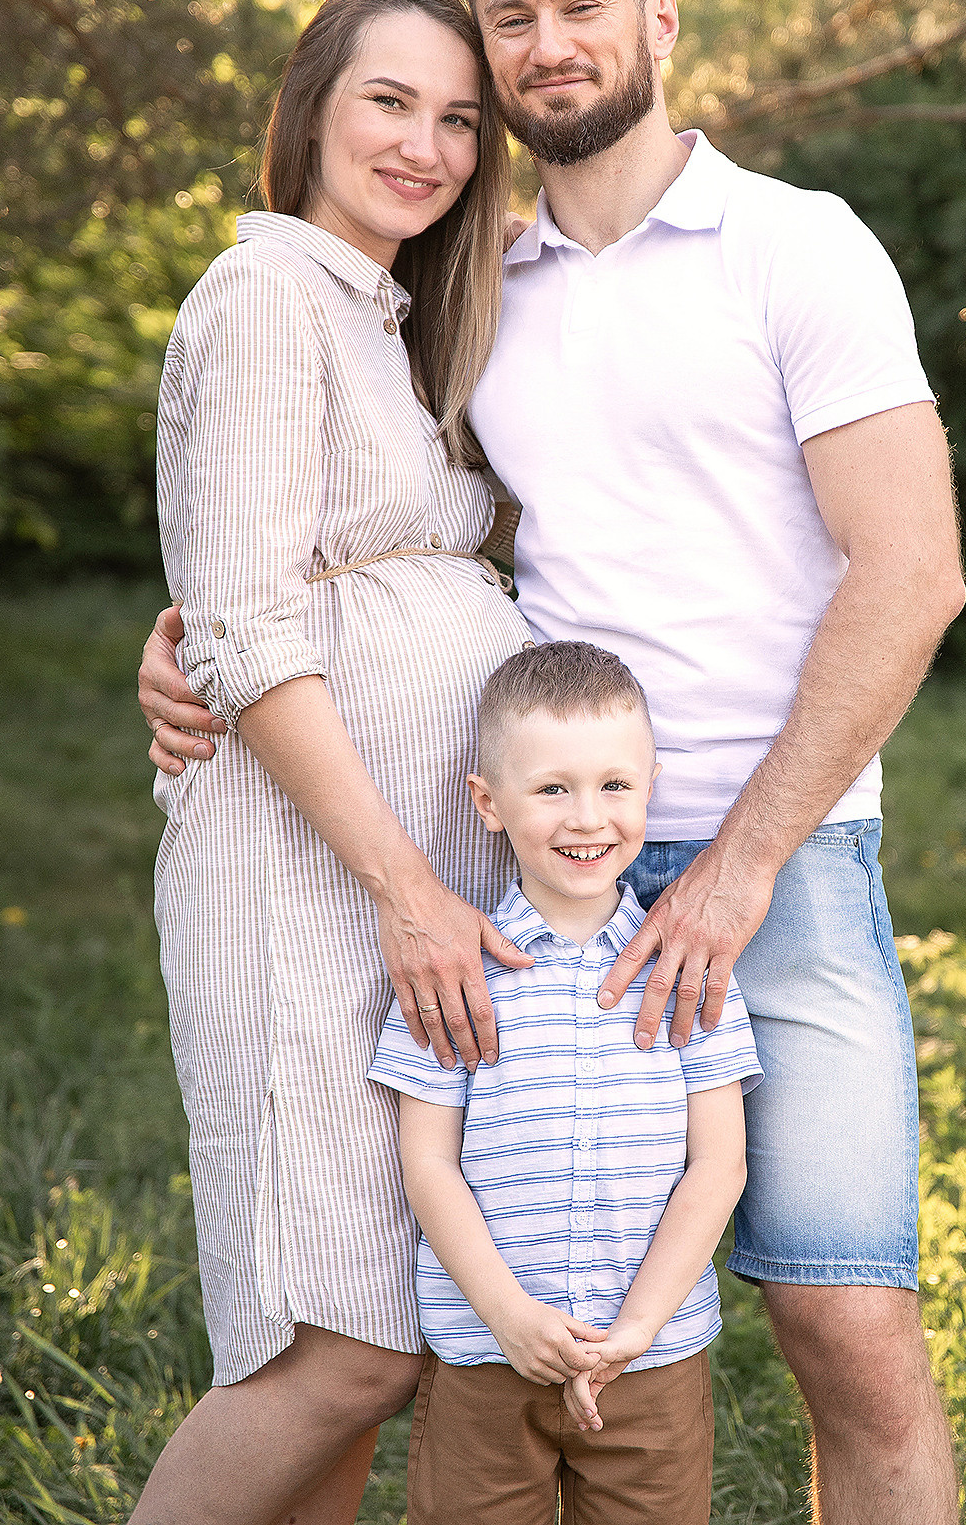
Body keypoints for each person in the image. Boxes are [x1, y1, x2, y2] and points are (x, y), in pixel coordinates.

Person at [142, 0, 966, 1523]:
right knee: (413, 1324)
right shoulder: (473, 291)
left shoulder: (795, 245)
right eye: (507, 21)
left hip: (773, 862)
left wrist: (733, 869)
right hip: (521, 879)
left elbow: (914, 574)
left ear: (659, 21)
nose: (544, 47)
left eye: (580, 6)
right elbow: (344, 539)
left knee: (843, 1319)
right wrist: (188, 650)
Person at [131, 0, 540, 1525]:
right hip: (311, 884)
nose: (427, 144)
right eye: (390, 99)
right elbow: (240, 621)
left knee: (368, 1349)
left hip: (396, 885)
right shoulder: (264, 295)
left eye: (456, 118)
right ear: (308, 108)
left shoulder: (386, 314)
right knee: (334, 1354)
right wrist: (407, 890)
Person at [372, 639, 761, 1525]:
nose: (587, 817)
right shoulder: (456, 974)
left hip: (651, 1363)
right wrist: (507, 1315)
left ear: (651, 786)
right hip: (485, 1353)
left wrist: (637, 1330)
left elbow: (718, 1168)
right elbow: (428, 1165)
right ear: (489, 803)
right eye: (552, 788)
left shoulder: (688, 971)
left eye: (614, 786)